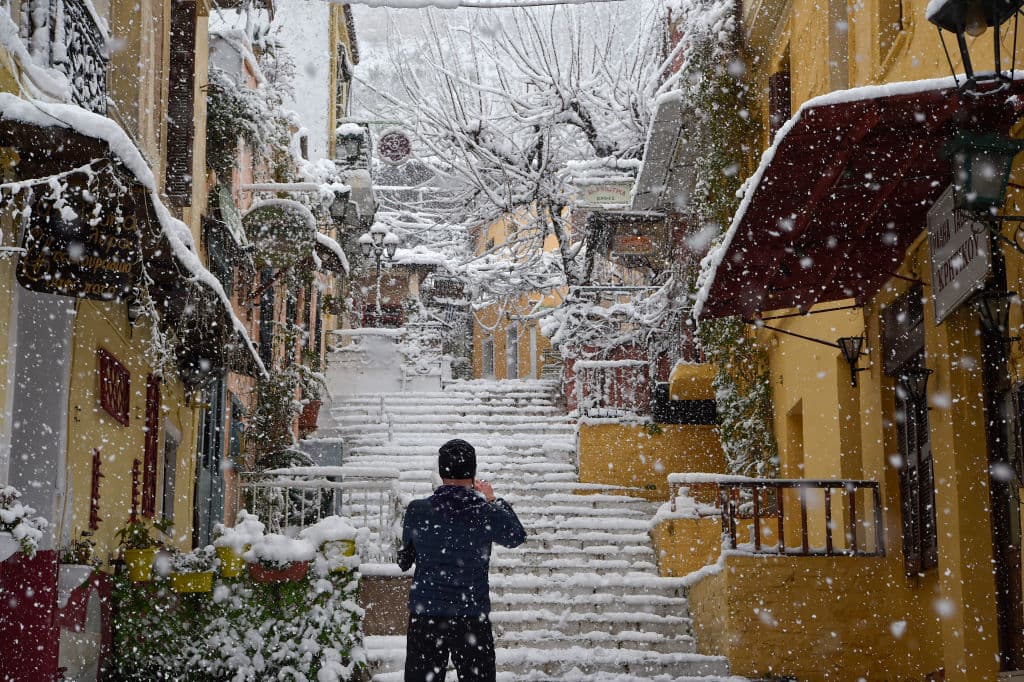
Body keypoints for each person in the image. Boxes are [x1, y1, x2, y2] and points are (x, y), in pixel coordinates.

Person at [398, 438, 527, 682]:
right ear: (473, 473)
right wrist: (492, 499)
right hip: (471, 616)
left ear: (441, 471)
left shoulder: (418, 510)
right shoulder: (485, 513)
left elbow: (405, 559)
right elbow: (516, 536)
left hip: (427, 614)